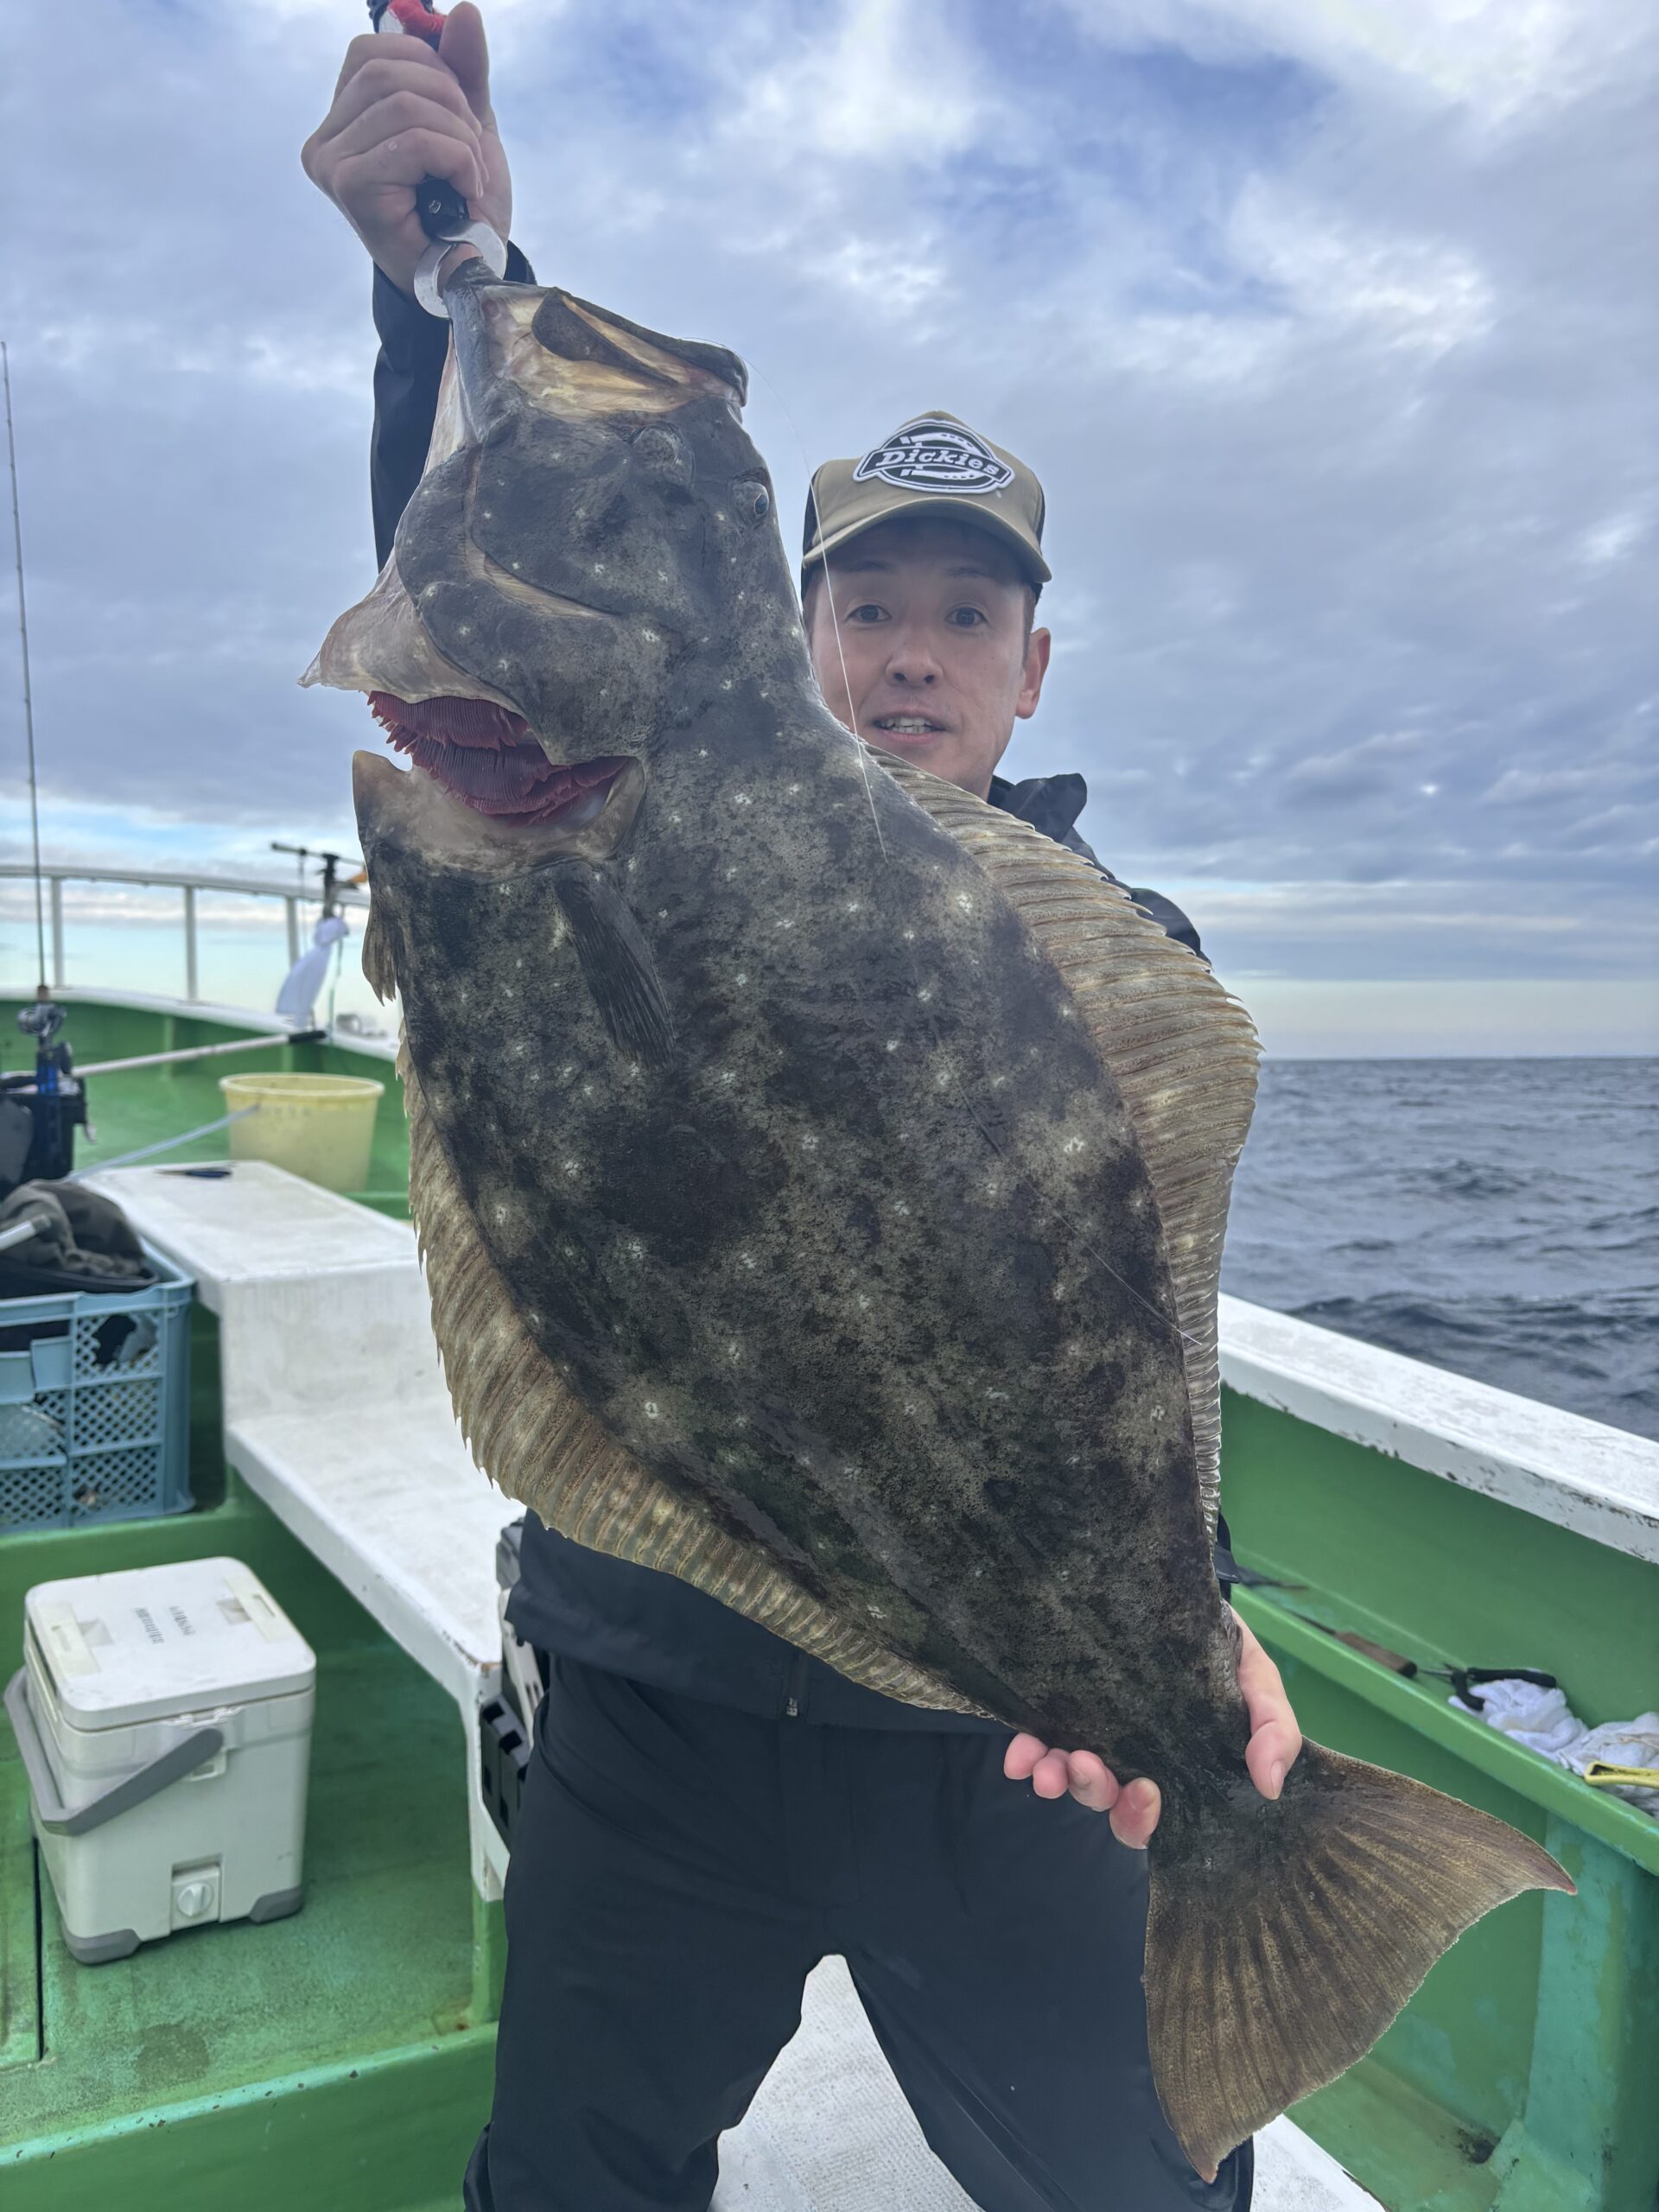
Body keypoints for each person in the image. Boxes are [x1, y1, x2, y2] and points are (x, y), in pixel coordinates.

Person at [304, 18, 1303, 2208]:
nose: (915, 654)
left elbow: (1122, 1359)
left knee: (1143, 2181)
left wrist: (1195, 1636)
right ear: (795, 633)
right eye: (869, 606)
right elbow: (499, 640)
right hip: (656, 1691)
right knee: (575, 2171)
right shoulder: (602, 818)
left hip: (995, 1751)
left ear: (1032, 666)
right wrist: (435, 297)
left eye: (968, 614)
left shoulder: (1106, 944)